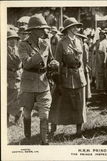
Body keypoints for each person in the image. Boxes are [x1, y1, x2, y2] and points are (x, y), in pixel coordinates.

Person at [18, 14, 59, 145]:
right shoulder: (22, 45)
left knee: (44, 114)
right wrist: (40, 53)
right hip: (28, 83)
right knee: (27, 112)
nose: (44, 31)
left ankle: (44, 141)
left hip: (43, 82)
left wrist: (54, 63)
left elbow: (51, 59)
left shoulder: (45, 43)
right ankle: (28, 137)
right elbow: (27, 63)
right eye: (42, 29)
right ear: (34, 30)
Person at [48, 17, 87, 137]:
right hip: (66, 76)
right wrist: (58, 81)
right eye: (74, 26)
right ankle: (52, 129)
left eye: (77, 26)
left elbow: (82, 60)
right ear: (68, 29)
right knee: (59, 102)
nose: (77, 28)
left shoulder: (79, 41)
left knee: (80, 104)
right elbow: (57, 63)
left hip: (79, 77)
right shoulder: (61, 42)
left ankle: (79, 131)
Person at [7, 30, 22, 124]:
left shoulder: (19, 50)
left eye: (14, 39)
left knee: (18, 98)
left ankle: (17, 118)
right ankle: (6, 118)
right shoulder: (4, 50)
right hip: (7, 76)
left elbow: (22, 63)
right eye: (10, 39)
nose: (12, 41)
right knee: (7, 97)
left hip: (17, 76)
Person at [77, 33, 92, 100]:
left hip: (84, 66)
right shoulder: (79, 45)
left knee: (85, 81)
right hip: (81, 66)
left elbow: (86, 58)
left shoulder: (84, 46)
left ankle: (86, 95)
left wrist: (85, 66)